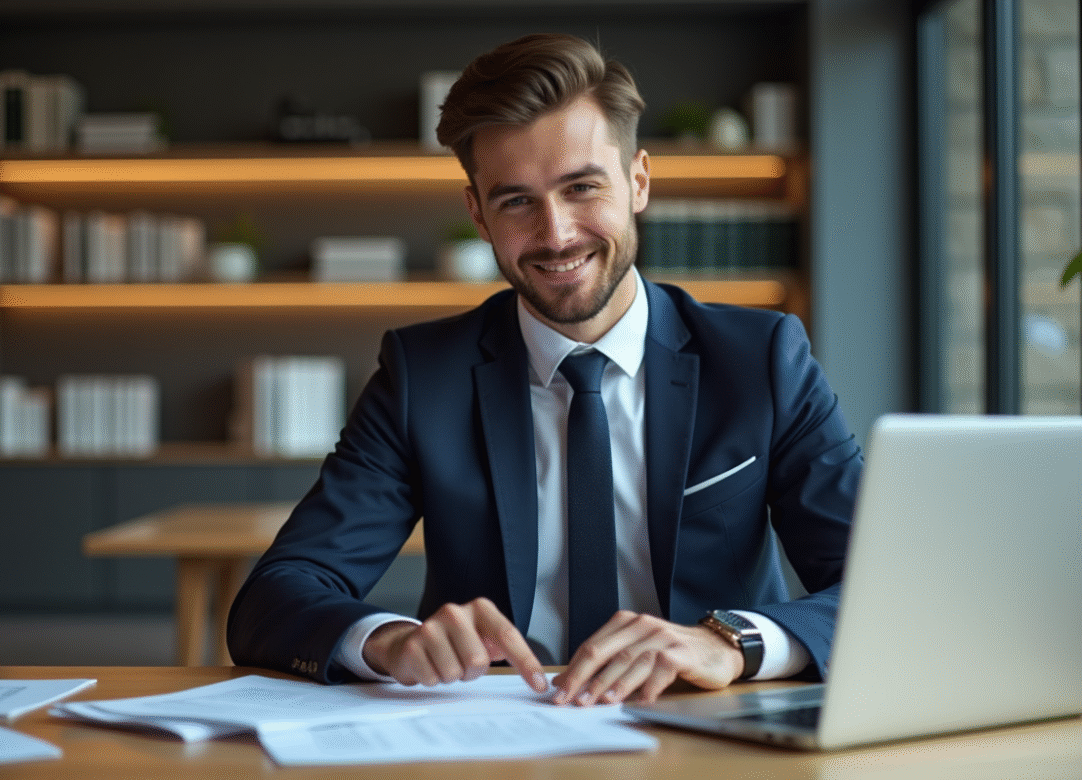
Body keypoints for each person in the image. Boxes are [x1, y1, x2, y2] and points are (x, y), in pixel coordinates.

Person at [227, 33, 861, 707]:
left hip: (710, 723)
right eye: (516, 201)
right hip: (496, 730)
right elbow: (275, 596)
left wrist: (732, 644)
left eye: (582, 187)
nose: (556, 234)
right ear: (478, 214)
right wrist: (388, 640)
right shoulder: (422, 377)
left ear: (639, 181)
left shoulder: (761, 359)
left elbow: (883, 585)